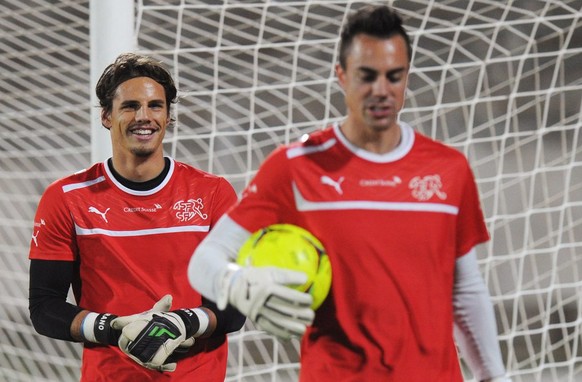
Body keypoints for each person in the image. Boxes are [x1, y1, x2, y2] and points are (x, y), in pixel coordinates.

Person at [187, 5, 511, 382]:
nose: (381, 90)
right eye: (367, 76)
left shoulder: (448, 168)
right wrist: (237, 283)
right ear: (341, 75)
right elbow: (205, 260)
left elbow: (466, 288)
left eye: (394, 77)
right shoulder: (296, 167)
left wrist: (495, 376)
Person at [28, 52, 245, 381]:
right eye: (130, 106)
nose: (144, 117)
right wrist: (114, 329)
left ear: (169, 116)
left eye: (155, 106)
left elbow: (234, 306)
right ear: (106, 115)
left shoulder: (213, 193)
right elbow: (44, 307)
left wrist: (182, 323)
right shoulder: (66, 199)